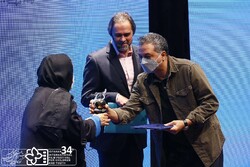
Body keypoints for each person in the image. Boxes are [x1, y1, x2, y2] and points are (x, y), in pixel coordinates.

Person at [90, 33, 225, 167]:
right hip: (170, 150)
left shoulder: (188, 70)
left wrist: (185, 122)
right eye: (141, 57)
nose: (143, 62)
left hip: (202, 147)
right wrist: (109, 112)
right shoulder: (143, 81)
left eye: (148, 57)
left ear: (163, 55)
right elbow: (129, 111)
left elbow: (210, 103)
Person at [20, 53, 110, 167]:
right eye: (70, 73)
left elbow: (62, 126)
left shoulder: (39, 95)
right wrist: (97, 120)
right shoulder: (59, 98)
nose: (72, 78)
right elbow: (77, 132)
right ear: (63, 74)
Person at [81, 12, 146, 167]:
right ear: (110, 34)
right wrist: (114, 96)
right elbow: (86, 97)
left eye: (127, 34)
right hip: (110, 139)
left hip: (136, 134)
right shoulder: (96, 59)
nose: (123, 39)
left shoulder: (143, 55)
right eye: (118, 35)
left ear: (133, 33)